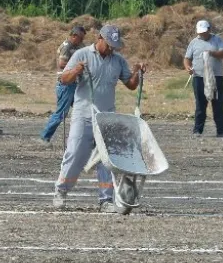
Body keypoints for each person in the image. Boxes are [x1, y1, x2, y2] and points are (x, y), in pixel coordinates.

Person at [53, 25, 147, 213]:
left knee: (107, 160)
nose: (111, 48)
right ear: (99, 38)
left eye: (114, 45)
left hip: (107, 118)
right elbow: (63, 79)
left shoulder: (118, 61)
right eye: (109, 44)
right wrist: (76, 71)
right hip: (84, 116)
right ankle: (61, 191)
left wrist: (138, 72)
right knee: (74, 155)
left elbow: (130, 84)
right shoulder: (81, 55)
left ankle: (106, 199)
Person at [183, 20, 223, 137]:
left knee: (218, 103)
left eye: (204, 32)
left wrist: (212, 53)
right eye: (200, 33)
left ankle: (221, 130)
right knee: (200, 104)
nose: (202, 35)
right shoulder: (194, 42)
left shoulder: (217, 40)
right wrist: (188, 67)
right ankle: (197, 130)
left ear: (209, 30)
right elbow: (187, 58)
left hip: (216, 77)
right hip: (199, 77)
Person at [39, 26, 86, 143]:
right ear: (74, 36)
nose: (81, 41)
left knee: (84, 109)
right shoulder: (67, 46)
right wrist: (77, 67)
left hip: (74, 84)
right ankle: (44, 137)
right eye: (80, 38)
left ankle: (84, 138)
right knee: (61, 113)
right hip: (66, 84)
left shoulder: (77, 46)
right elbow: (61, 63)